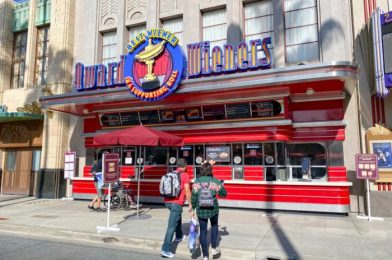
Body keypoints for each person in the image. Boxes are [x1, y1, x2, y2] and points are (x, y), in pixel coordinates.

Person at [191, 161, 227, 260]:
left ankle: (205, 255)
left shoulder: (196, 181)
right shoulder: (215, 181)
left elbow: (193, 197)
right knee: (214, 226)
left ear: (201, 170)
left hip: (201, 209)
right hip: (213, 209)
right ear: (211, 170)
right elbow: (224, 194)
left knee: (203, 231)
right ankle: (214, 249)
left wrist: (193, 209)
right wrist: (221, 185)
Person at [161, 158, 192, 258]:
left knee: (177, 217)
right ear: (185, 166)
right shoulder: (185, 175)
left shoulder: (172, 173)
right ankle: (165, 249)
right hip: (176, 202)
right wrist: (191, 203)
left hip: (167, 201)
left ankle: (179, 236)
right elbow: (187, 191)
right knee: (171, 226)